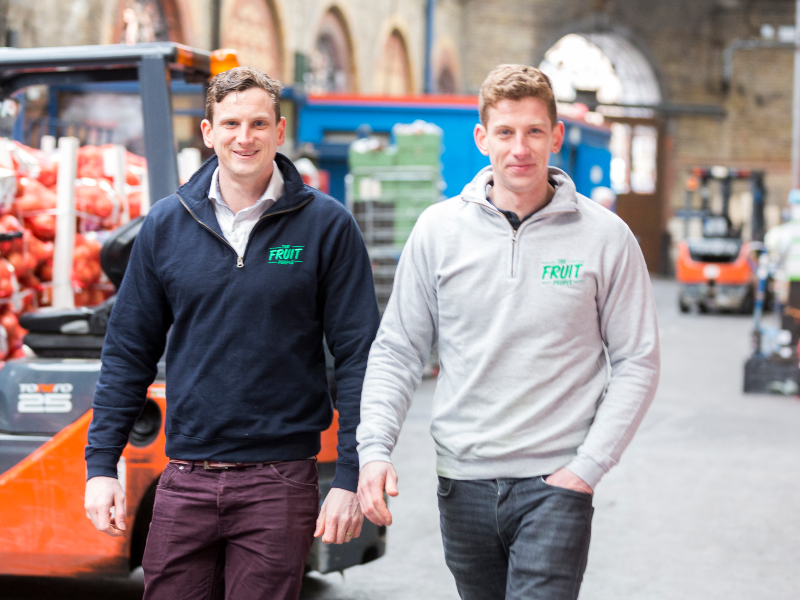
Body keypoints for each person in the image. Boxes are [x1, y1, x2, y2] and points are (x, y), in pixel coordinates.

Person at [356, 64, 660, 600]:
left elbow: (637, 359)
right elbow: (399, 349)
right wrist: (375, 449)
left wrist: (586, 469)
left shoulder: (606, 238)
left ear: (556, 137)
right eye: (505, 132)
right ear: (482, 138)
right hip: (462, 481)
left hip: (555, 483)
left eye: (534, 131)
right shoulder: (438, 231)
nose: (520, 148)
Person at [84, 66, 380, 600]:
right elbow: (128, 351)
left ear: (280, 130)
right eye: (231, 123)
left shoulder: (327, 227)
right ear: (207, 131)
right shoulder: (166, 224)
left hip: (280, 480)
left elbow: (360, 357)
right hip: (185, 477)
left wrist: (350, 476)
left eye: (258, 123)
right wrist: (102, 465)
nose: (244, 137)